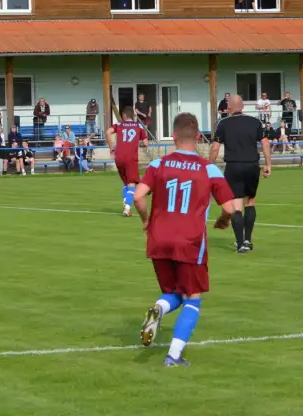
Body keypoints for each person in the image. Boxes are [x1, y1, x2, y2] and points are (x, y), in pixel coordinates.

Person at [133, 112, 236, 367]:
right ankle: (174, 355)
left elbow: (138, 196)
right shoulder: (208, 168)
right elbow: (230, 206)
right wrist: (223, 220)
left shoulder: (158, 165)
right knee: (193, 296)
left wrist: (145, 220)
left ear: (174, 135)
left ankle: (160, 307)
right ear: (198, 137)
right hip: (190, 241)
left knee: (173, 292)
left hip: (159, 239)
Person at [209, 95, 271, 254]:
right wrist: (268, 164)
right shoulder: (255, 122)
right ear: (242, 107)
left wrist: (208, 166)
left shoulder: (223, 124)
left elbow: (215, 148)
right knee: (250, 202)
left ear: (229, 107)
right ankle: (248, 240)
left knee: (236, 206)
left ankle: (240, 243)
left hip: (234, 166)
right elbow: (265, 143)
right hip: (252, 166)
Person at [106, 106, 149, 217]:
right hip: (131, 158)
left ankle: (126, 204)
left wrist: (111, 148)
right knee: (132, 184)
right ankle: (127, 207)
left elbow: (108, 132)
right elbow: (145, 143)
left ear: (124, 115)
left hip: (119, 157)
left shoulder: (119, 125)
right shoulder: (138, 126)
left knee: (126, 183)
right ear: (133, 115)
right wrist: (136, 143)